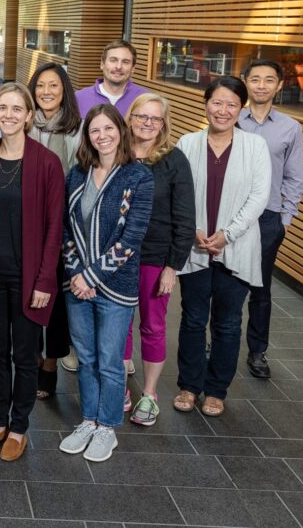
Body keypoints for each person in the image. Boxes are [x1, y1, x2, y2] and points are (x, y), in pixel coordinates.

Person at [0, 83, 65, 462]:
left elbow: (55, 227)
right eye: (2, 108)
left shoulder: (47, 163)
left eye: (17, 108)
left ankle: (19, 427)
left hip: (28, 279)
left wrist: (45, 281)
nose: (8, 114)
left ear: (29, 115)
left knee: (25, 355)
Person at [58, 104, 153, 463]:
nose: (102, 136)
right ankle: (88, 420)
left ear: (120, 130)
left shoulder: (138, 177)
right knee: (85, 358)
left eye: (108, 129)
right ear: (87, 137)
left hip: (116, 288)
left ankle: (108, 427)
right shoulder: (77, 174)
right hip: (77, 285)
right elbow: (65, 229)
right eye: (95, 131)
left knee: (111, 361)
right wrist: (76, 275)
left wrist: (92, 276)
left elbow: (132, 239)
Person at [174, 77, 271, 418]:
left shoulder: (255, 147)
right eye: (217, 102)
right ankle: (188, 384)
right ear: (206, 104)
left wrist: (227, 234)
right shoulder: (187, 143)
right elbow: (179, 193)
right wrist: (195, 231)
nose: (223, 110)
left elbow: (259, 197)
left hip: (238, 247)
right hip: (195, 246)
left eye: (232, 104)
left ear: (241, 108)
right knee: (193, 319)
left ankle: (216, 390)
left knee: (228, 323)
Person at [123, 93, 196, 426]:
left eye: (155, 118)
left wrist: (172, 266)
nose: (148, 123)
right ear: (131, 117)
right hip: (118, 257)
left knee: (152, 326)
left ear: (164, 124)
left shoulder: (174, 161)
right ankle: (120, 387)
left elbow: (185, 218)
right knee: (118, 325)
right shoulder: (116, 153)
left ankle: (150, 394)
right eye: (142, 116)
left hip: (155, 258)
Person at [238, 60, 303, 379]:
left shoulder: (290, 127)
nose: (261, 85)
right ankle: (216, 341)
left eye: (269, 80)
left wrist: (285, 217)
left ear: (279, 85)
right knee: (223, 283)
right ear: (245, 83)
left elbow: (294, 176)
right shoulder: (232, 118)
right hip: (232, 215)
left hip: (268, 218)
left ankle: (257, 351)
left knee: (260, 287)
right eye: (255, 79)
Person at [26, 62, 82, 395]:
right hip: (26, 224)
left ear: (64, 92)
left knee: (57, 298)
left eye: (54, 86)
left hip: (64, 223)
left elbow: (80, 177)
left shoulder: (77, 129)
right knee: (29, 292)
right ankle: (31, 357)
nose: (47, 92)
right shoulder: (24, 123)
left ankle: (50, 361)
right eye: (41, 86)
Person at [75, 39, 149, 117]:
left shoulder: (145, 98)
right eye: (113, 60)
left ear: (133, 68)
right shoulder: (79, 98)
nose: (119, 66)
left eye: (125, 62)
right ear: (102, 64)